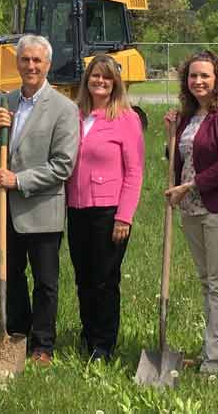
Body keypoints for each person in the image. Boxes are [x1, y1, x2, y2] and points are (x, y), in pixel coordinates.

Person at [0, 34, 79, 366]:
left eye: (37, 60)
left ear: (47, 64)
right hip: (5, 211)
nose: (31, 66)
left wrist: (18, 180)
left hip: (41, 209)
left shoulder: (64, 108)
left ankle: (43, 344)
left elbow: (63, 165)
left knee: (45, 281)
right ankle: (16, 335)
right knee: (10, 275)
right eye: (25, 60)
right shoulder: (4, 101)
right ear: (17, 63)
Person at [163, 51, 218, 376]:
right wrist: (170, 136)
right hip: (191, 208)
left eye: (205, 76)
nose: (198, 81)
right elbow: (181, 158)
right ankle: (210, 351)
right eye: (193, 76)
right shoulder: (188, 116)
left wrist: (190, 186)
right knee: (207, 281)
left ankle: (217, 362)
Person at [66, 55, 144, 363]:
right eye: (95, 77)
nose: (100, 82)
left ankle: (104, 342)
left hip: (109, 211)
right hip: (77, 207)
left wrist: (124, 216)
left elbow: (135, 171)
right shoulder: (76, 115)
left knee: (104, 278)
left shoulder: (126, 118)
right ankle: (88, 334)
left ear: (116, 83)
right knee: (83, 276)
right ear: (86, 81)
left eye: (107, 78)